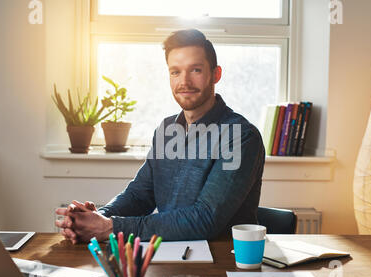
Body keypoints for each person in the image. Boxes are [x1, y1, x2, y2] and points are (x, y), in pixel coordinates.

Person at [55, 29, 265, 243]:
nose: (184, 82)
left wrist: (110, 227)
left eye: (195, 70)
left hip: (223, 264)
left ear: (216, 74)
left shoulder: (239, 136)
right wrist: (99, 217)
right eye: (175, 72)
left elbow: (205, 219)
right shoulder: (167, 130)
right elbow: (139, 195)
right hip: (167, 255)